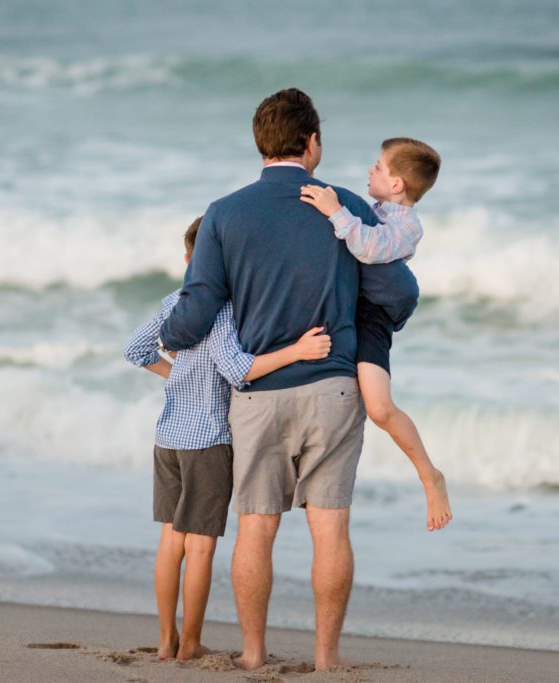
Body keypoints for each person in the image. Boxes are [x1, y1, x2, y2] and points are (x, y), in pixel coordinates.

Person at [159, 88, 420, 671]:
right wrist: (368, 321)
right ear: (312, 144)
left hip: (259, 394)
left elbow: (199, 306)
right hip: (334, 388)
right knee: (330, 529)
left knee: (256, 527)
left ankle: (253, 655)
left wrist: (171, 338)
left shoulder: (225, 213)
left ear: (261, 144)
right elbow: (398, 291)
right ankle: (326, 659)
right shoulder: (343, 203)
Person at [123, 216, 332, 662]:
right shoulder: (223, 312)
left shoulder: (172, 302)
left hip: (168, 436)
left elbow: (136, 349)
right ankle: (191, 644)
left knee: (169, 541)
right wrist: (296, 351)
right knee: (199, 544)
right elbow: (236, 369)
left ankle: (165, 641)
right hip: (208, 441)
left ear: (186, 261)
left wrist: (174, 375)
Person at [299, 138, 452, 532]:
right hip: (347, 306)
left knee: (380, 408)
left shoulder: (406, 226)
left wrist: (335, 211)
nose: (370, 170)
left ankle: (429, 475)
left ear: (398, 184)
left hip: (373, 318)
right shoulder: (374, 210)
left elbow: (369, 247)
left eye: (379, 166)